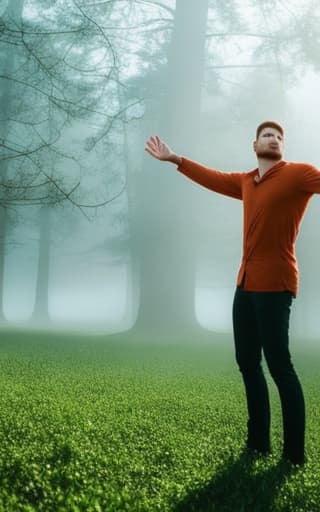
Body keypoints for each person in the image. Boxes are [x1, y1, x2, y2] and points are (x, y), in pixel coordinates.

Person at [145, 121, 320, 466]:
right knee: (247, 364)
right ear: (254, 145)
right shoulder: (246, 181)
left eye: (279, 137)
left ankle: (294, 455)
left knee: (280, 367)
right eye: (267, 135)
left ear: (283, 147)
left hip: (276, 284)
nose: (273, 139)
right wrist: (175, 158)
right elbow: (211, 177)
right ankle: (258, 444)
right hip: (245, 285)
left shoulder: (299, 174)